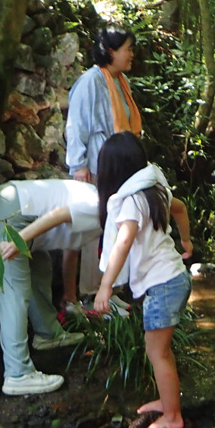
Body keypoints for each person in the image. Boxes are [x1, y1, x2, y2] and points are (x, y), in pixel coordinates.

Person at [92, 132, 194, 428]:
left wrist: (105, 286)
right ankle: (167, 401)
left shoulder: (130, 201)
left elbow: (122, 243)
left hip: (163, 285)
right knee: (160, 349)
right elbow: (181, 207)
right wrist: (185, 239)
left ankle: (173, 415)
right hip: (173, 277)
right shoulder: (154, 188)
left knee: (156, 351)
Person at [0, 179, 97, 396]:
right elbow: (59, 214)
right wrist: (17, 242)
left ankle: (48, 334)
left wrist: (70, 295)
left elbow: (73, 247)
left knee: (40, 267)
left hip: (14, 208)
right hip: (7, 215)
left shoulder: (101, 203)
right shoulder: (98, 206)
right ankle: (18, 374)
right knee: (15, 290)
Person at [64, 27, 142, 309]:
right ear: (111, 52)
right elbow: (76, 126)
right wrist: (79, 166)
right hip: (97, 167)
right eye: (128, 48)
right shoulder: (90, 81)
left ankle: (110, 289)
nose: (132, 54)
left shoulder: (120, 82)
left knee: (114, 227)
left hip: (118, 168)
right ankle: (84, 296)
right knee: (89, 229)